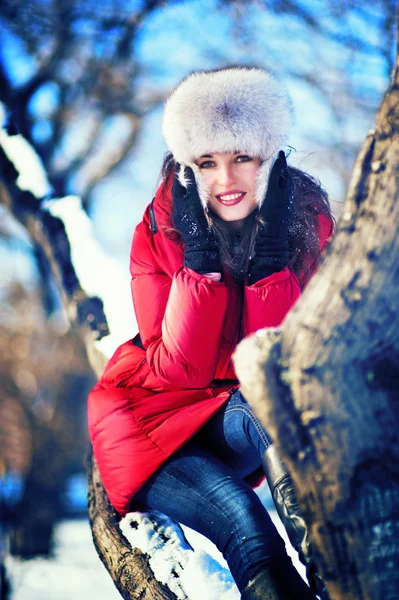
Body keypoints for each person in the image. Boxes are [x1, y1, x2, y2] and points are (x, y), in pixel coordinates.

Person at [88, 67, 334, 599]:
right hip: (153, 424)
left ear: (270, 156)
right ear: (186, 167)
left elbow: (278, 366)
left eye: (242, 157)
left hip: (236, 413)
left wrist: (271, 266)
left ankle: (341, 572)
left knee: (280, 405)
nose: (225, 181)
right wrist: (200, 267)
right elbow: (181, 371)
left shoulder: (308, 224)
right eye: (206, 163)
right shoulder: (158, 231)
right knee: (246, 524)